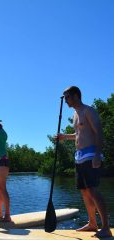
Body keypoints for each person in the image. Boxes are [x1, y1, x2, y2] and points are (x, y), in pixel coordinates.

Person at [57, 86, 112, 238]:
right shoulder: (75, 114)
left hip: (90, 154)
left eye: (67, 96)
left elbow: (98, 131)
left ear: (75, 95)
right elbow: (78, 134)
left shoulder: (88, 111)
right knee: (84, 191)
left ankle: (106, 227)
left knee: (93, 190)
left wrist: (97, 154)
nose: (65, 100)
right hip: (79, 156)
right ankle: (92, 223)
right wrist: (64, 137)